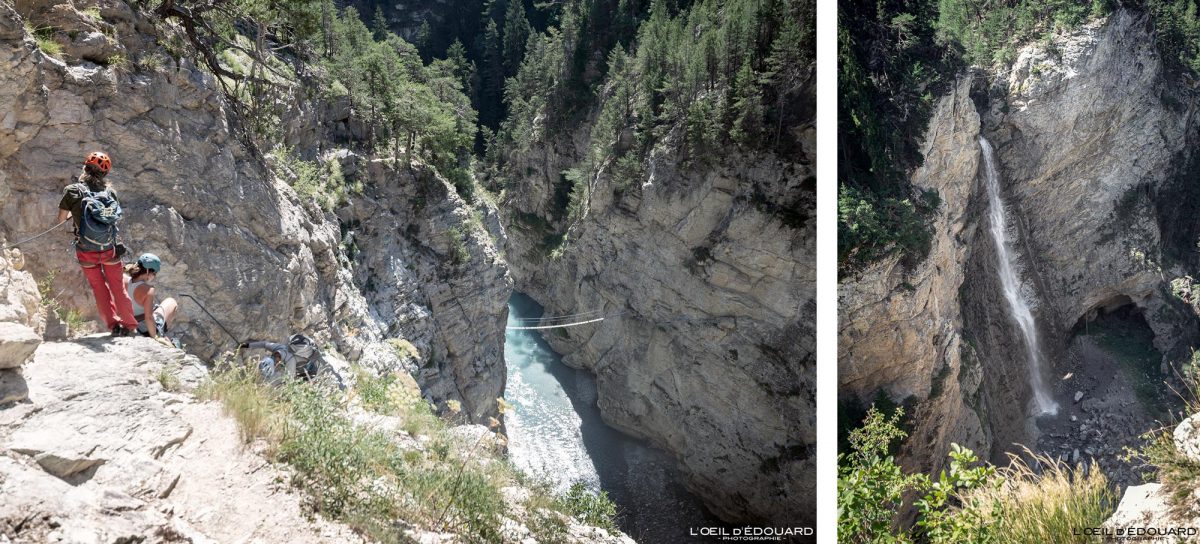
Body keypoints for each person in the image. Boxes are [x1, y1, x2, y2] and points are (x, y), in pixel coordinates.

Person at [56, 151, 139, 337]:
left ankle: (113, 325)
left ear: (85, 167)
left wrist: (72, 213)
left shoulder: (72, 191)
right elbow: (114, 218)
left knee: (99, 289)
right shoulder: (110, 193)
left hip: (86, 250)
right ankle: (129, 325)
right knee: (118, 288)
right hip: (109, 249)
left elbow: (61, 220)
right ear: (105, 174)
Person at [239, 333, 342, 388]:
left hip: (310, 369)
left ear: (276, 361)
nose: (275, 366)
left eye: (274, 366)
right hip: (304, 359)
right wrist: (245, 345)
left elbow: (289, 381)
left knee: (303, 384)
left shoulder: (290, 362)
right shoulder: (278, 348)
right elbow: (264, 344)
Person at [125, 253, 177, 346]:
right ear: (148, 271)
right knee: (171, 302)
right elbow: (148, 317)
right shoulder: (148, 290)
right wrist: (155, 337)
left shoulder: (124, 280)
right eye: (154, 273)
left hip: (128, 323)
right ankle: (161, 333)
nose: (154, 276)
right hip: (144, 329)